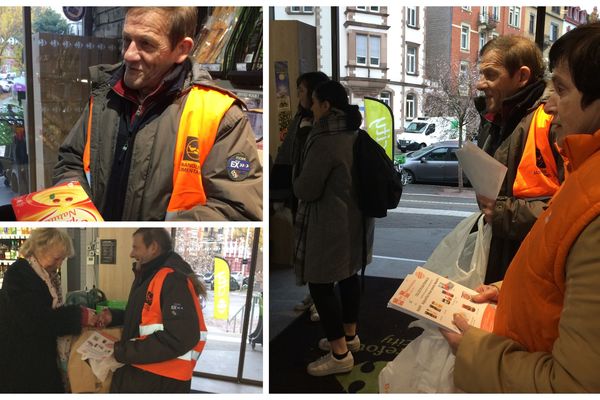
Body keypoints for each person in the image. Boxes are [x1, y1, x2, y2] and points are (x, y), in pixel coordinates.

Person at [441, 23, 600, 392]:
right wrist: (513, 288)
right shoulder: (582, 168)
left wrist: (476, 354)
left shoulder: (552, 137)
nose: (550, 102)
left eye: (560, 88)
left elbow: (574, 386)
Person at [53, 7, 262, 221]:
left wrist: (156, 237)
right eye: (127, 40)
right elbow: (71, 160)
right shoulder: (103, 95)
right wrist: (78, 212)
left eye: (146, 43)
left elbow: (237, 210)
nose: (129, 54)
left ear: (181, 49)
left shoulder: (222, 116)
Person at [293, 80, 373, 376]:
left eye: (313, 102)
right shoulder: (353, 132)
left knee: (320, 283)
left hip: (330, 226)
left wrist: (297, 171)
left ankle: (339, 355)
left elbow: (306, 188)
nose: (310, 107)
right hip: (356, 223)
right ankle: (349, 338)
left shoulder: (325, 139)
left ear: (326, 106)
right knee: (349, 276)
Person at [474, 35, 563, 283]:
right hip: (503, 257)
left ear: (522, 76)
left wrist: (502, 213)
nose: (480, 84)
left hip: (535, 267)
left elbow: (570, 206)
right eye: (480, 74)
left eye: (490, 74)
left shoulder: (551, 119)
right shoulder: (497, 117)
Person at [96, 228, 207, 393]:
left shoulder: (172, 278)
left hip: (160, 380)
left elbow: (181, 336)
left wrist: (122, 351)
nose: (131, 254)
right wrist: (115, 316)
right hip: (146, 374)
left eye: (136, 247)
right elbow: (145, 316)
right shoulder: (149, 274)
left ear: (153, 247)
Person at [0, 228, 96, 393]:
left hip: (36, 357)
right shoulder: (18, 274)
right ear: (39, 250)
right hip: (21, 361)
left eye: (63, 259)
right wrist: (78, 316)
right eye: (57, 258)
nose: (59, 264)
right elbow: (36, 321)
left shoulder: (46, 275)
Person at [271, 71, 329, 319]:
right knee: (306, 249)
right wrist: (279, 193)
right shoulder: (301, 118)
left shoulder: (322, 124)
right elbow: (286, 154)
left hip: (319, 199)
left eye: (303, 91)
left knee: (321, 251)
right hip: (299, 194)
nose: (299, 95)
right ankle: (315, 294)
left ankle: (324, 299)